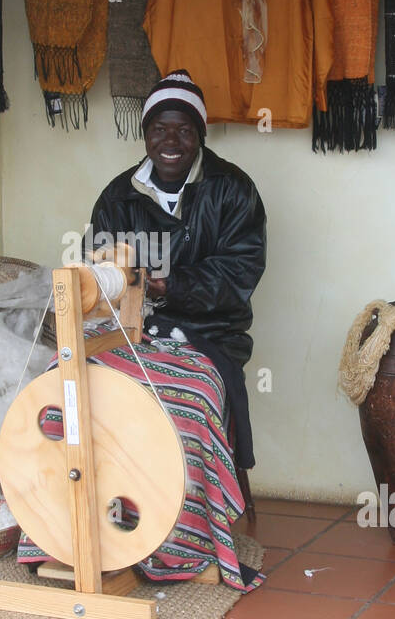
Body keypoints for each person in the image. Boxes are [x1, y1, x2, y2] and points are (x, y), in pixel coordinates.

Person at [88, 70, 266, 483]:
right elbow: (97, 268)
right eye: (159, 129)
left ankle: (182, 509)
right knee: (74, 383)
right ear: (145, 134)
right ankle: (104, 496)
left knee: (180, 398)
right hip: (132, 331)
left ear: (200, 135)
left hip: (212, 334)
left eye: (184, 130)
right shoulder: (118, 196)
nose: (170, 143)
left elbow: (241, 271)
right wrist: (110, 281)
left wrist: (173, 285)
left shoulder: (233, 190)